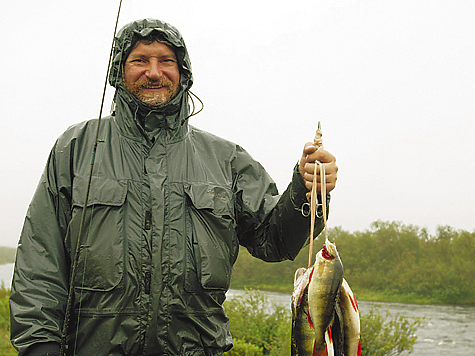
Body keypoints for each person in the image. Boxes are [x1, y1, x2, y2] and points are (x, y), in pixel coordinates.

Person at [10, 18, 338, 356]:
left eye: (166, 61)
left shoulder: (226, 158)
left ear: (183, 73)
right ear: (118, 72)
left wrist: (308, 189)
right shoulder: (76, 147)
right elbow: (40, 260)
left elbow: (275, 242)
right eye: (140, 61)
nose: (154, 72)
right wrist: (39, 346)